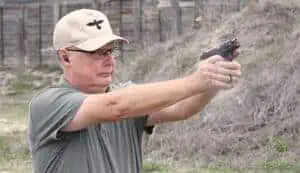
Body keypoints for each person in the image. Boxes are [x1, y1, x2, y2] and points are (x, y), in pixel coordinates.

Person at [28, 9, 242, 173]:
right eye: (98, 52)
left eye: (112, 50)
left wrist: (213, 81)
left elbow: (183, 108)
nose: (109, 60)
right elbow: (115, 107)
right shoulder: (48, 103)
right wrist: (196, 81)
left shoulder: (128, 97)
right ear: (66, 56)